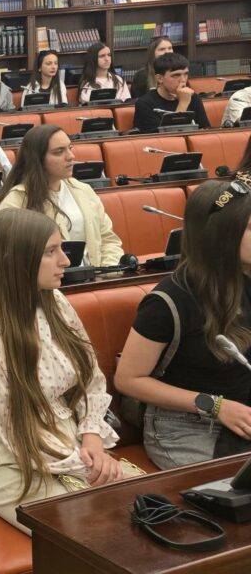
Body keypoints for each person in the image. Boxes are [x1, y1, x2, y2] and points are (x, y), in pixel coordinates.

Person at [0, 207, 132, 533]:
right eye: (51, 252)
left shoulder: (54, 300)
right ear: (17, 260)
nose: (65, 261)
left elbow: (91, 379)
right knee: (102, 535)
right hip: (13, 460)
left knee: (147, 510)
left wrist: (92, 438)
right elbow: (15, 429)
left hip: (73, 442)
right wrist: (90, 463)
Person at [115, 179, 251, 469]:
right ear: (220, 235)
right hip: (184, 427)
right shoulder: (169, 300)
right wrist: (216, 406)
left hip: (244, 415)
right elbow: (128, 379)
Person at [0, 124, 123, 267]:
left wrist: (108, 270)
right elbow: (8, 256)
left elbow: (108, 240)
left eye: (70, 148)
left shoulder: (84, 190)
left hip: (95, 276)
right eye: (59, 152)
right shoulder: (15, 201)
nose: (71, 156)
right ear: (38, 159)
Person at [134, 52, 210, 133]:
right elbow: (167, 138)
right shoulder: (145, 104)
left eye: (185, 74)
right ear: (160, 78)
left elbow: (205, 131)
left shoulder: (193, 97)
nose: (183, 80)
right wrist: (183, 103)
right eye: (176, 75)